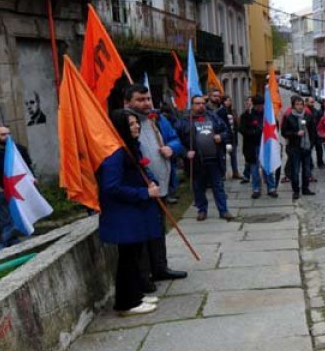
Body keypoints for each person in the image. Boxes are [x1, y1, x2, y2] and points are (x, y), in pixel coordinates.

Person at [98, 109, 162, 316]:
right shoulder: (115, 154)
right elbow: (111, 187)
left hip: (133, 212)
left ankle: (136, 293)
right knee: (127, 259)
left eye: (136, 123)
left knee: (135, 256)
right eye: (131, 124)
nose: (136, 127)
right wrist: (144, 192)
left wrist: (151, 182)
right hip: (123, 214)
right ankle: (127, 302)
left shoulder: (129, 148)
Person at [124, 85, 188, 285]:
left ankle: (160, 268)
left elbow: (177, 140)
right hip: (142, 188)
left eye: (148, 99)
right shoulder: (124, 122)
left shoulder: (157, 119)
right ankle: (144, 277)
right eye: (140, 100)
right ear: (128, 103)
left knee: (158, 230)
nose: (146, 103)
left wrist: (171, 148)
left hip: (161, 186)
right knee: (142, 234)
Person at [177, 95, 234, 221]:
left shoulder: (213, 116)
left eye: (203, 103)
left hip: (214, 159)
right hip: (197, 161)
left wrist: (221, 136)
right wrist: (185, 153)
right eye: (197, 103)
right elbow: (177, 141)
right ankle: (202, 210)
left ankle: (223, 210)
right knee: (199, 187)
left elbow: (226, 131)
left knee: (218, 186)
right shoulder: (185, 120)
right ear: (192, 105)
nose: (201, 105)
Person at [239, 94, 278, 199]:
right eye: (259, 106)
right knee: (254, 169)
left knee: (267, 168)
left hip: (265, 145)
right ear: (254, 105)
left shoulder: (267, 114)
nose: (261, 108)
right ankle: (256, 188)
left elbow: (274, 125)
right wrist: (255, 131)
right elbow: (242, 130)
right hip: (252, 146)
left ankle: (271, 188)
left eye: (262, 105)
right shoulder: (246, 116)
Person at [281, 96, 316, 199]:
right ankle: (295, 190)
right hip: (294, 148)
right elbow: (284, 132)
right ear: (293, 106)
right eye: (297, 104)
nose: (300, 106)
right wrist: (296, 134)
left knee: (306, 170)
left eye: (301, 104)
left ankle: (306, 188)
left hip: (306, 147)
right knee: (295, 171)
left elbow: (313, 131)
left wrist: (311, 144)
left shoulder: (308, 116)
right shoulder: (289, 117)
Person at [221, 95, 243, 180]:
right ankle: (223, 174)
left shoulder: (232, 111)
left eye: (230, 100)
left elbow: (237, 123)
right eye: (228, 100)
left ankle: (235, 172)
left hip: (233, 137)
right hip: (226, 138)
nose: (230, 102)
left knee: (233, 155)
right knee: (224, 156)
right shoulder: (221, 111)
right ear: (224, 101)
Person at [307, 97, 325, 169]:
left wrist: (322, 106)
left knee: (319, 148)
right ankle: (310, 164)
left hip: (316, 133)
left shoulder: (315, 110)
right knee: (309, 150)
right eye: (311, 102)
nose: (312, 104)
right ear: (306, 102)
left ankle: (320, 162)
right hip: (309, 134)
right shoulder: (305, 111)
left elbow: (320, 114)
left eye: (313, 102)